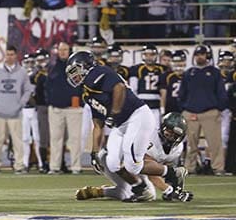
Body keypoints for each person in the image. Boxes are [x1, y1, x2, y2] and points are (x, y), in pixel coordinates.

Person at [66, 50, 156, 201]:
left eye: (75, 70)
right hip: (120, 124)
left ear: (85, 66)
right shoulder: (86, 93)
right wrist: (94, 153)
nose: (73, 75)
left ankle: (171, 175)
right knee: (112, 162)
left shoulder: (98, 72)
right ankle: (140, 188)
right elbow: (97, 125)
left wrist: (114, 113)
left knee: (131, 161)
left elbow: (119, 87)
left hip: (136, 115)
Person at [76, 112, 193, 202]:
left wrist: (174, 190)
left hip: (131, 166)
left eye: (175, 135)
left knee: (144, 194)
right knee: (143, 185)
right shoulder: (150, 137)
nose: (171, 137)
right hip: (113, 159)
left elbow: (159, 170)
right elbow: (147, 169)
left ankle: (98, 192)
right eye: (168, 133)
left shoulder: (178, 148)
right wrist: (168, 190)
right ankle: (172, 174)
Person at [179, 44, 229, 175]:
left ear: (207, 56)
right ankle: (190, 168)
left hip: (210, 112)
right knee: (191, 144)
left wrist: (218, 109)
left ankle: (218, 168)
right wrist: (185, 108)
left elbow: (222, 93)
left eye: (202, 54)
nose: (199, 57)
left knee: (215, 143)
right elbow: (181, 94)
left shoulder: (214, 72)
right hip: (190, 112)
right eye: (197, 54)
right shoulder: (189, 73)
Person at [0, 45, 34, 173]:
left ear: (16, 55)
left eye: (12, 54)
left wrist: (20, 104)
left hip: (16, 113)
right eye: (7, 54)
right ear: (5, 55)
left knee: (18, 141)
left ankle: (19, 165)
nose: (9, 57)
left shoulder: (22, 72)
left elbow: (27, 90)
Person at [46, 42, 83, 174]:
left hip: (73, 108)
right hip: (56, 108)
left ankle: (76, 167)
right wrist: (50, 101)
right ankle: (54, 167)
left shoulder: (77, 66)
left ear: (70, 50)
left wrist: (80, 101)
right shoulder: (51, 67)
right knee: (55, 138)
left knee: (74, 138)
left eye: (65, 50)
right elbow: (47, 86)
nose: (62, 52)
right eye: (60, 49)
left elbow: (82, 84)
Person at [129, 44, 166, 125]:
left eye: (152, 55)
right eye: (146, 55)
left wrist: (162, 109)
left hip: (156, 105)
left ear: (156, 55)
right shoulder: (136, 69)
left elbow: (163, 91)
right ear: (143, 55)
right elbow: (133, 89)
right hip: (141, 104)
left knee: (155, 132)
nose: (149, 57)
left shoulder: (162, 69)